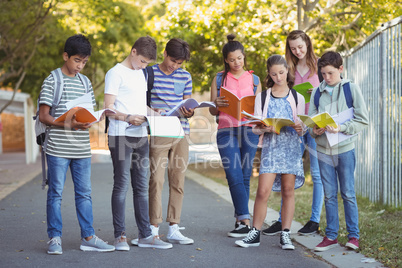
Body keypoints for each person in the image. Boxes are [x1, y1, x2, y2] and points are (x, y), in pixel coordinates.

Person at [38, 34, 115, 254]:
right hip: (58, 149)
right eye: (76, 60)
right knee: (56, 193)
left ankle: (88, 237)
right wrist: (67, 125)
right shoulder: (52, 80)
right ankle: (54, 239)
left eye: (84, 62)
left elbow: (86, 113)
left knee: (84, 194)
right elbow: (44, 116)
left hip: (81, 149)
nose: (80, 66)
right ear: (65, 56)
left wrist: (91, 120)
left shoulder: (86, 82)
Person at [104, 36, 172, 251]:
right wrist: (127, 118)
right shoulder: (114, 73)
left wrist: (154, 113)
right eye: (142, 61)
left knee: (141, 187)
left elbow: (141, 106)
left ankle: (145, 235)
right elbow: (108, 108)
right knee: (122, 185)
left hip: (141, 135)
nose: (144, 66)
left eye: (147, 63)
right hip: (120, 135)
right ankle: (120, 236)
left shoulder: (141, 74)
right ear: (133, 52)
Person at [235, 55, 305, 250]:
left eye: (281, 73)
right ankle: (254, 233)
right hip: (271, 148)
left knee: (288, 191)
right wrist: (265, 128)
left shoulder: (297, 97)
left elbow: (301, 125)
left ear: (287, 71)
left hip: (290, 148)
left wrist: (301, 128)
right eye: (274, 74)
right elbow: (256, 128)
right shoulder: (263, 97)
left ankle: (285, 234)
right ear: (269, 74)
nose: (278, 77)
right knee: (263, 191)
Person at [262, 30, 323, 236]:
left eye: (300, 46)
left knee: (316, 173)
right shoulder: (290, 68)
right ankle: (281, 221)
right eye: (293, 48)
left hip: (314, 125)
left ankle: (314, 220)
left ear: (308, 43)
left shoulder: (320, 66)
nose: (297, 51)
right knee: (286, 171)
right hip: (293, 127)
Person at [310, 51, 368, 251]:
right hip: (324, 151)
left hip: (345, 150)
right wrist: (314, 129)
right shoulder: (317, 92)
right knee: (329, 195)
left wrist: (341, 128)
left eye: (330, 73)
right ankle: (331, 236)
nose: (326, 78)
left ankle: (353, 237)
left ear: (341, 69)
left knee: (348, 194)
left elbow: (362, 120)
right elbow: (310, 121)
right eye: (323, 73)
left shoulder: (351, 89)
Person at [209, 34, 261, 238]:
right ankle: (246, 221)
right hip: (226, 130)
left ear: (244, 56)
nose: (236, 63)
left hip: (249, 130)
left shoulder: (255, 80)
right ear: (226, 60)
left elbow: (261, 109)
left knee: (245, 175)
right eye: (231, 59)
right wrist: (216, 105)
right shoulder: (219, 78)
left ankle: (241, 222)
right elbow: (212, 111)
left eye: (239, 58)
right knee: (233, 174)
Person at [147, 38, 194, 245]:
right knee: (156, 180)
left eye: (180, 63)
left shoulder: (185, 76)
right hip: (159, 131)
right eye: (173, 61)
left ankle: (174, 227)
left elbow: (188, 104)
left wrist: (189, 111)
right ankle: (153, 228)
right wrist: (152, 111)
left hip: (181, 132)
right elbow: (141, 103)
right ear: (164, 53)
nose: (175, 66)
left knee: (178, 181)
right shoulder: (149, 73)